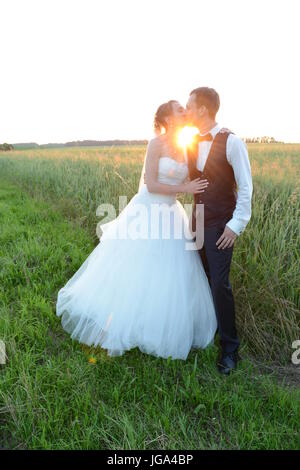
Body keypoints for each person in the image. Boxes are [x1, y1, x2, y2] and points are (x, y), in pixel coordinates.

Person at [56, 100, 217, 361]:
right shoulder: (156, 144)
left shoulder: (187, 146)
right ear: (168, 118)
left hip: (171, 213)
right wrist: (185, 189)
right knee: (137, 265)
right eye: (178, 109)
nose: (183, 111)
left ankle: (158, 321)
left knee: (171, 269)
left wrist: (199, 186)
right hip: (148, 210)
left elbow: (185, 179)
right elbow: (151, 184)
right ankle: (122, 319)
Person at [186, 87, 253, 374]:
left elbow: (246, 187)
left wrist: (235, 226)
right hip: (196, 222)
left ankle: (230, 349)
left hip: (220, 226)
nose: (187, 110)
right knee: (200, 278)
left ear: (202, 109)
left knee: (219, 285)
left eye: (190, 105)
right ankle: (207, 331)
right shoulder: (190, 141)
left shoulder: (232, 141)